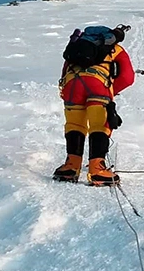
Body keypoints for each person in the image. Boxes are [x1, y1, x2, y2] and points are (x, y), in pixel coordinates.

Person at [53, 26, 135, 186]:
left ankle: (71, 166)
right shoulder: (115, 48)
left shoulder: (76, 46)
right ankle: (97, 169)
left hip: (72, 86)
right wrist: (110, 90)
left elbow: (64, 71)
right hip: (98, 85)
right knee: (99, 125)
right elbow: (127, 77)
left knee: (74, 125)